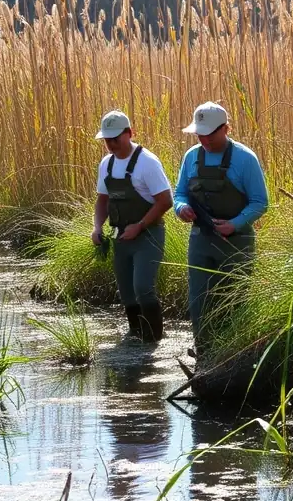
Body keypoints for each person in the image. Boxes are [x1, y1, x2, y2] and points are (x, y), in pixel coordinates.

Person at [173, 101, 268, 358]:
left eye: (209, 133)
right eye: (199, 133)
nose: (203, 138)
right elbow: (179, 193)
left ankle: (233, 356)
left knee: (234, 302)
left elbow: (260, 202)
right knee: (199, 301)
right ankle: (203, 355)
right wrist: (181, 208)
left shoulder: (245, 159)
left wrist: (234, 224)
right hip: (200, 241)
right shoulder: (191, 156)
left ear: (226, 128)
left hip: (237, 242)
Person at [92, 110, 173, 342]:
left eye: (115, 138)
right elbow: (102, 200)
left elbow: (165, 200)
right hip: (121, 238)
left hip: (148, 236)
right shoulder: (106, 165)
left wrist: (139, 225)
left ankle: (154, 340)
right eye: (107, 139)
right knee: (127, 292)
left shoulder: (147, 162)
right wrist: (97, 227)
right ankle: (136, 338)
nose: (111, 144)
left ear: (129, 133)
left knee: (143, 287)